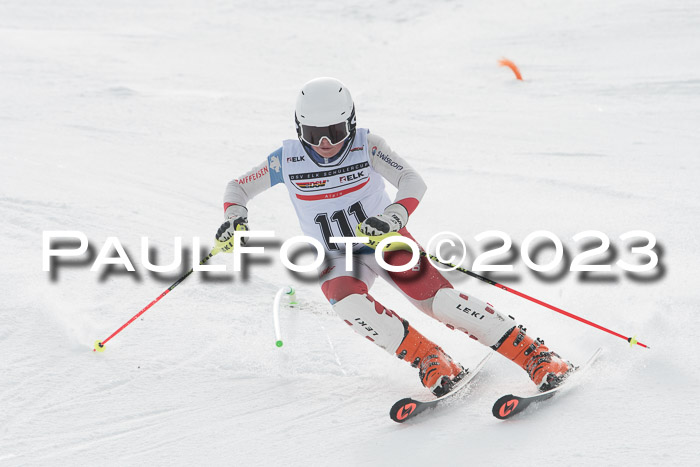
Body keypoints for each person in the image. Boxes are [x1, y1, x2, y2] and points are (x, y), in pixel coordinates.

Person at [216, 77, 572, 397]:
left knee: (441, 302)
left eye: (336, 131)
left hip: (385, 241)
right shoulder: (286, 161)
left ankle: (536, 355)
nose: (325, 143)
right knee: (347, 303)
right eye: (313, 135)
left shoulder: (366, 145)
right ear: (299, 128)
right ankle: (432, 360)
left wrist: (392, 217)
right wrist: (236, 217)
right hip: (336, 255)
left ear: (351, 122)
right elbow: (238, 187)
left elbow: (412, 181)